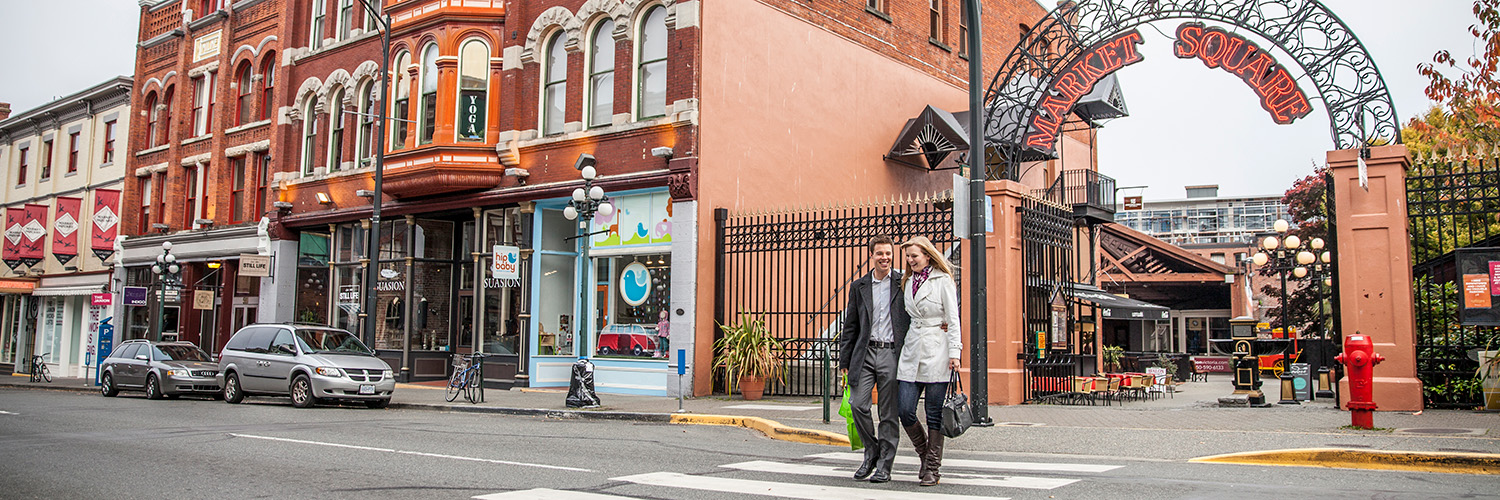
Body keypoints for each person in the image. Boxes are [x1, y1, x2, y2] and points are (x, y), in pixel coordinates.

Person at [837, 235, 910, 483]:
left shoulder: (903, 282)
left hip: (891, 353)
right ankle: (872, 451)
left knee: (889, 413)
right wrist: (844, 362)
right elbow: (851, 326)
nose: (885, 258)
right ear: (872, 255)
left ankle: (884, 465)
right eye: (880, 253)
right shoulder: (859, 286)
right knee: (858, 404)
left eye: (888, 253)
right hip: (865, 353)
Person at [896, 235, 961, 487]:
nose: (910, 260)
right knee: (905, 410)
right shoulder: (907, 281)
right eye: (908, 256)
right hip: (912, 349)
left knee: (934, 414)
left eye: (914, 255)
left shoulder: (942, 280)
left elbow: (953, 318)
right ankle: (924, 455)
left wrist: (954, 353)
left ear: (927, 255)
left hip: (938, 349)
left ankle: (932, 468)